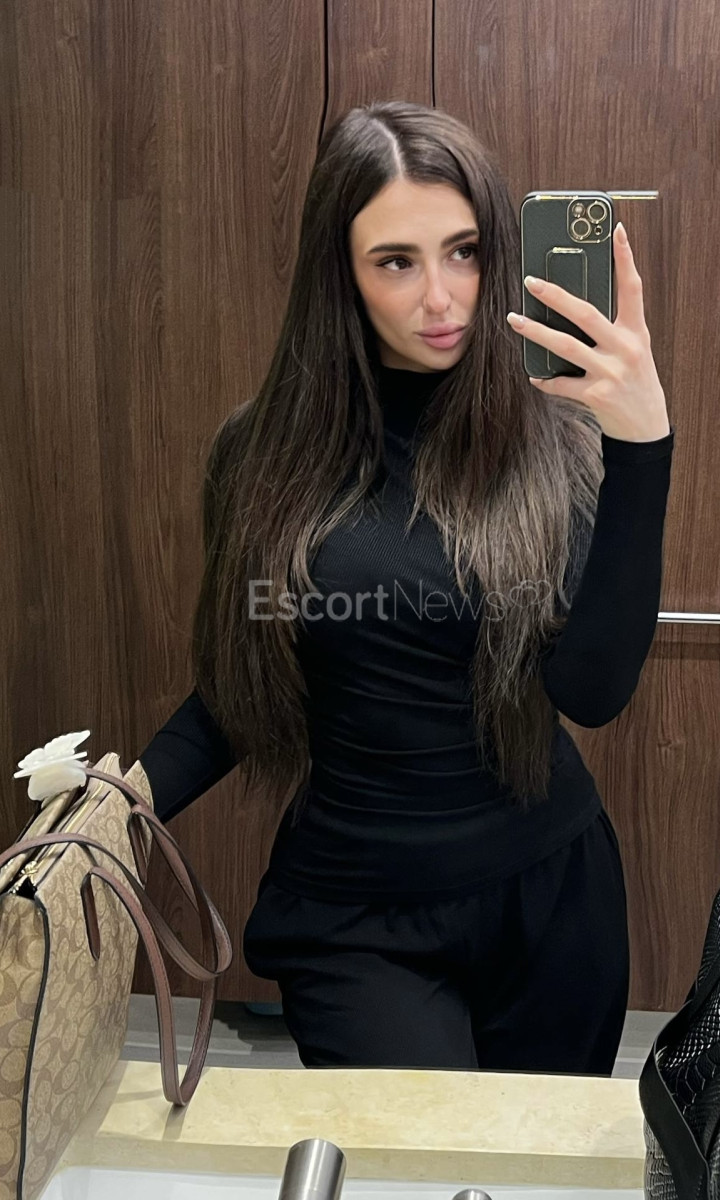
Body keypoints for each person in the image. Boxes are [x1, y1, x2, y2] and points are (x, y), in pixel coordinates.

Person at [134, 100, 674, 1075]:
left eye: (463, 252)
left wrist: (642, 447)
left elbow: (591, 692)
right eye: (396, 261)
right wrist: (114, 814)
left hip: (550, 902)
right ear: (338, 273)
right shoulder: (261, 458)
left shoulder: (550, 442)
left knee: (531, 1158)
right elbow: (242, 687)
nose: (441, 297)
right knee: (411, 1154)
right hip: (356, 916)